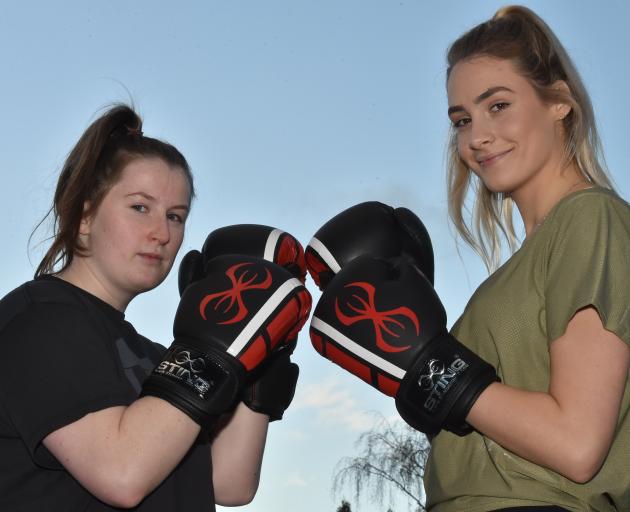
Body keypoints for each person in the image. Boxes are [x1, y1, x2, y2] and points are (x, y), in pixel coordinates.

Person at [306, 5, 629, 512]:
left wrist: (433, 364)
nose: (476, 136)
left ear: (559, 103)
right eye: (462, 119)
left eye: (497, 105)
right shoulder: (519, 267)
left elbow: (577, 443)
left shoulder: (589, 219)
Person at [0, 104, 310, 511]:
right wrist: (213, 349)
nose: (162, 233)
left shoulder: (154, 357)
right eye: (140, 207)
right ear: (85, 217)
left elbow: (229, 482)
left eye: (176, 216)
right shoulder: (37, 322)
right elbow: (122, 473)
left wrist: (264, 350)